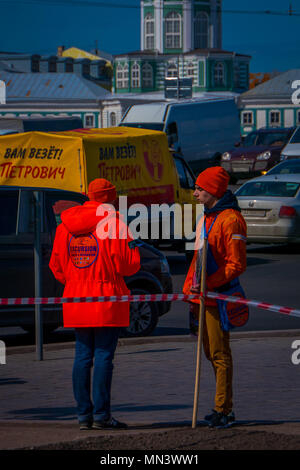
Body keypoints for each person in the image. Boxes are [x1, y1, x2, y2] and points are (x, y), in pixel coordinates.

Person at [49, 178, 141, 430]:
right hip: (106, 298)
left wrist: (77, 279)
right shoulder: (114, 223)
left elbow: (56, 267)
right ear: (110, 198)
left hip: (76, 297)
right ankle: (101, 415)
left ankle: (83, 416)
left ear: (88, 196)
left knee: (82, 356)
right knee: (102, 356)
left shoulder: (64, 225)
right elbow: (129, 264)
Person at [183, 166, 247, 428]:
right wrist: (190, 289)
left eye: (199, 188)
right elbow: (198, 259)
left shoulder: (231, 220)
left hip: (218, 296)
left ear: (212, 191)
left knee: (220, 354)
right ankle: (222, 406)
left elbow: (236, 264)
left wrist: (208, 283)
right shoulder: (206, 218)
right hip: (203, 296)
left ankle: (224, 409)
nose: (195, 193)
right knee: (210, 353)